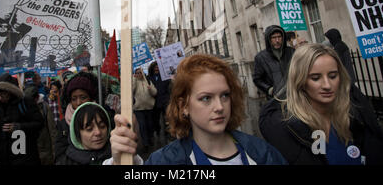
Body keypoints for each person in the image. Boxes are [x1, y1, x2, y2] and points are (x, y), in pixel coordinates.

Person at [108, 54, 287, 165]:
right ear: (184, 106)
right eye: (206, 98)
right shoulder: (165, 162)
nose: (219, 107)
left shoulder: (262, 153)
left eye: (225, 95)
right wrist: (119, 162)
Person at [259, 44, 383, 165]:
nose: (327, 85)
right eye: (315, 78)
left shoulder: (355, 114)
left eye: (333, 76)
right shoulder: (287, 129)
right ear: (300, 81)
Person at [0, 73, 44, 165]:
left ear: (10, 91)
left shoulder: (25, 102)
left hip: (26, 154)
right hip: (4, 156)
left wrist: (19, 127)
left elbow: (39, 123)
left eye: (3, 94)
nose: (0, 98)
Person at [55, 71, 99, 162]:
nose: (78, 103)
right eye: (74, 99)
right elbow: (59, 154)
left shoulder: (102, 118)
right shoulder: (63, 124)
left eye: (83, 97)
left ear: (91, 98)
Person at [253, 25, 295, 99]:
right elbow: (257, 79)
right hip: (275, 98)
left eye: (279, 37)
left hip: (294, 95)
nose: (277, 40)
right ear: (269, 39)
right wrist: (269, 89)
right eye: (274, 38)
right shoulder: (261, 57)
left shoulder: (291, 52)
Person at [24, 85, 57, 165]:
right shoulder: (24, 107)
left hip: (45, 149)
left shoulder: (45, 107)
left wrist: (55, 151)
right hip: (31, 149)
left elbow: (52, 130)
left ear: (37, 97)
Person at [132, 67, 157, 154]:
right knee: (142, 126)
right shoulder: (134, 82)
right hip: (139, 109)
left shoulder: (148, 81)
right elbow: (131, 90)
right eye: (137, 73)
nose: (139, 74)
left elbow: (155, 93)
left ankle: (150, 139)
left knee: (150, 125)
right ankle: (145, 144)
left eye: (140, 72)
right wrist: (134, 79)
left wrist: (151, 89)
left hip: (149, 108)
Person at [148, 61, 171, 140]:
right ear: (152, 68)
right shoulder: (149, 78)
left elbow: (169, 87)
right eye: (155, 67)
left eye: (158, 67)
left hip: (165, 100)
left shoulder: (165, 77)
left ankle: (167, 132)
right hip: (154, 102)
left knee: (167, 117)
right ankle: (157, 130)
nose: (156, 68)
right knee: (156, 119)